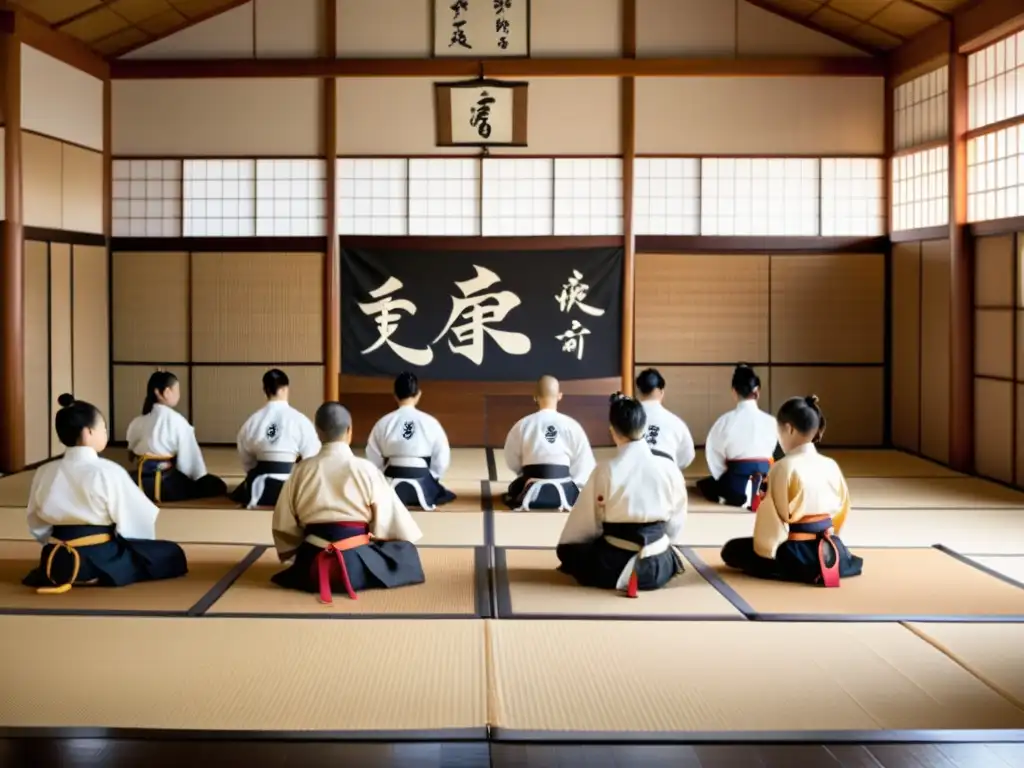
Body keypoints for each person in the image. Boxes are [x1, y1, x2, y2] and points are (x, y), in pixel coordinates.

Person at [23, 394, 188, 594]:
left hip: (55, 558)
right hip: (100, 556)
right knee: (171, 553)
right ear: (88, 432)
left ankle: (70, 571)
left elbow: (36, 522)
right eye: (103, 429)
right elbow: (137, 518)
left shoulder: (44, 471)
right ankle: (93, 574)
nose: (105, 433)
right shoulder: (107, 471)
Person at [271, 402, 425, 604]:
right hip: (356, 564)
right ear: (349, 431)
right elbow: (395, 524)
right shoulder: (366, 469)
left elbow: (285, 527)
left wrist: (297, 547)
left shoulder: (301, 471)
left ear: (318, 432)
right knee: (405, 552)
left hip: (312, 566)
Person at [720, 396, 863, 587]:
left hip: (797, 551)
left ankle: (798, 568)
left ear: (789, 429)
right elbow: (842, 510)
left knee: (733, 550)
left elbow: (772, 520)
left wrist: (767, 551)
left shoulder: (782, 467)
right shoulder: (831, 465)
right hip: (831, 548)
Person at [556, 393, 688, 597]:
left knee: (569, 553)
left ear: (613, 431)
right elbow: (676, 522)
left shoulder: (606, 470)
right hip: (657, 564)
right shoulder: (669, 469)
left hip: (612, 565)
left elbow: (586, 525)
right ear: (644, 427)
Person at [126, 371, 227, 503]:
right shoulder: (178, 421)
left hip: (140, 483)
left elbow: (130, 455)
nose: (178, 394)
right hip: (167, 484)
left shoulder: (137, 421)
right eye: (176, 390)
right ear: (166, 392)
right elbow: (191, 466)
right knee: (216, 485)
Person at [502, 375, 596, 511]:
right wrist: (573, 481)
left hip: (530, 488)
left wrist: (522, 471)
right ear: (559, 396)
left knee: (514, 489)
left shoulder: (522, 425)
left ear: (535, 396)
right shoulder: (572, 426)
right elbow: (585, 464)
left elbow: (510, 458)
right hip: (564, 490)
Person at [365, 372, 456, 510]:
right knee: (443, 493)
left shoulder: (383, 422)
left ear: (395, 395)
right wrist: (433, 476)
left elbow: (372, 455)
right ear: (418, 394)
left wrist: (381, 475)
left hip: (390, 478)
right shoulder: (430, 422)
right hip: (422, 478)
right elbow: (442, 457)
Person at [230, 369, 320, 509]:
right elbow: (312, 457)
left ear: (265, 390)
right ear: (285, 389)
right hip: (292, 488)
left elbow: (247, 460)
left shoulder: (252, 421)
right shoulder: (300, 420)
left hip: (260, 489)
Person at [696, 364, 781, 510]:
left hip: (735, 486)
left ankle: (732, 497)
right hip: (767, 485)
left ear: (734, 392)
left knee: (704, 485)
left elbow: (713, 455)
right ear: (757, 391)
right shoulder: (772, 422)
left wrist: (723, 476)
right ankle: (759, 496)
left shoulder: (724, 421)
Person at [635, 368, 696, 471]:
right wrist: (670, 465)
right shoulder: (676, 422)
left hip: (633, 475)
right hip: (667, 474)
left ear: (638, 391)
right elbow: (688, 456)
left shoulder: (627, 420)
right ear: (662, 392)